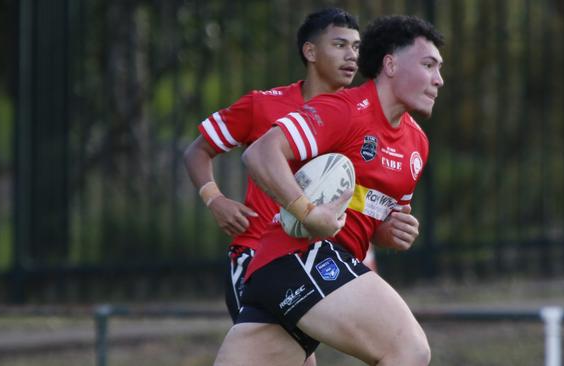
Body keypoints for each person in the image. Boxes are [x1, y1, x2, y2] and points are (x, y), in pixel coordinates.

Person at [214, 15, 444, 366]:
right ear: (391, 64)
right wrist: (307, 212)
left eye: (439, 68)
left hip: (290, 276)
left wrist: (391, 231)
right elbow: (260, 153)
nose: (438, 80)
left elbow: (369, 219)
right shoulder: (346, 109)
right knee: (409, 350)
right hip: (300, 257)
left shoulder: (417, 145)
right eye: (428, 65)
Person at [183, 7, 361, 365]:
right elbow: (197, 151)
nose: (351, 56)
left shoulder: (355, 115)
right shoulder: (263, 105)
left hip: (313, 263)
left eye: (356, 47)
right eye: (340, 44)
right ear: (310, 52)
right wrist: (214, 198)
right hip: (256, 259)